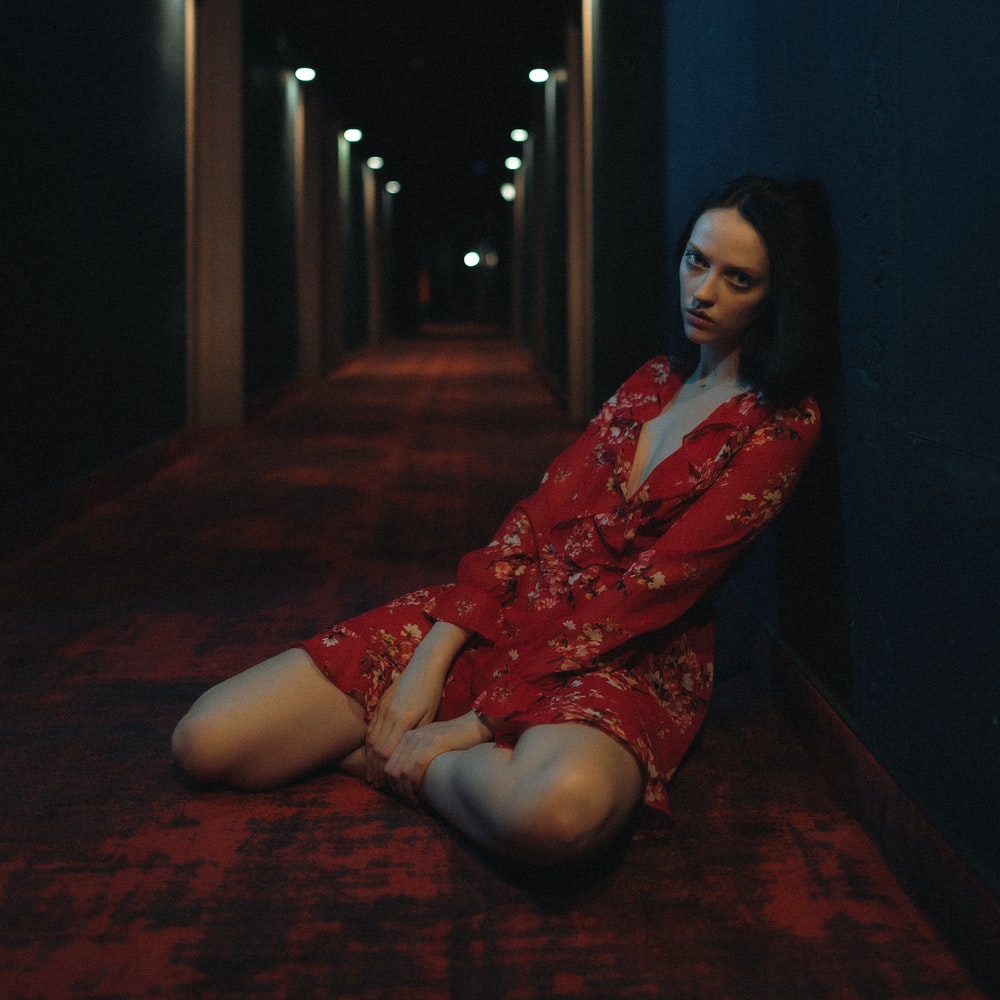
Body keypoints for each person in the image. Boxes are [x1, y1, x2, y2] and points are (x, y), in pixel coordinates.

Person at [172, 175, 838, 866]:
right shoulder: (649, 384)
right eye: (697, 262)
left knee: (558, 815)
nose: (703, 292)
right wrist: (435, 656)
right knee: (207, 740)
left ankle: (402, 764)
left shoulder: (781, 425)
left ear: (776, 295)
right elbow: (532, 521)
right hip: (506, 611)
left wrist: (474, 723)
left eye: (739, 280)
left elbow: (648, 594)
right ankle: (416, 753)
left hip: (618, 658)